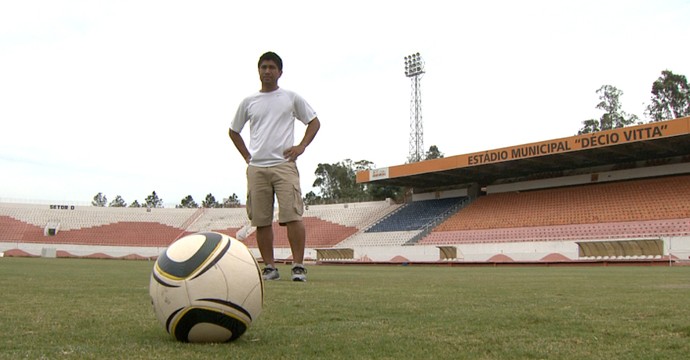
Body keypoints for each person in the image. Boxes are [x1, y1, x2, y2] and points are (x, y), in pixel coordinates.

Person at [229, 51, 320, 282]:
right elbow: (233, 131)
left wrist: (301, 146)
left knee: (293, 216)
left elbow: (314, 122)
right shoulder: (249, 102)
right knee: (261, 220)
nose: (267, 71)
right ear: (258, 71)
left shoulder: (290, 97)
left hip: (284, 165)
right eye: (263, 67)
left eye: (272, 67)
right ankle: (269, 267)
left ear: (280, 72)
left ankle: (298, 266)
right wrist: (247, 157)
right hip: (257, 168)